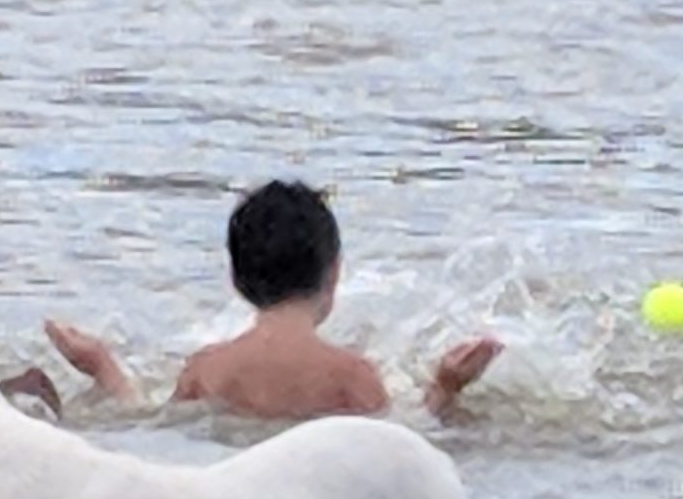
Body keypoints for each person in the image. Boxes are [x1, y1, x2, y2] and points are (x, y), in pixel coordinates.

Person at [43, 179, 500, 422]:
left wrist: (102, 366)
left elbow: (149, 426)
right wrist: (446, 386)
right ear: (334, 273)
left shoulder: (206, 370)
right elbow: (406, 440)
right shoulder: (349, 375)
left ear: (235, 278)